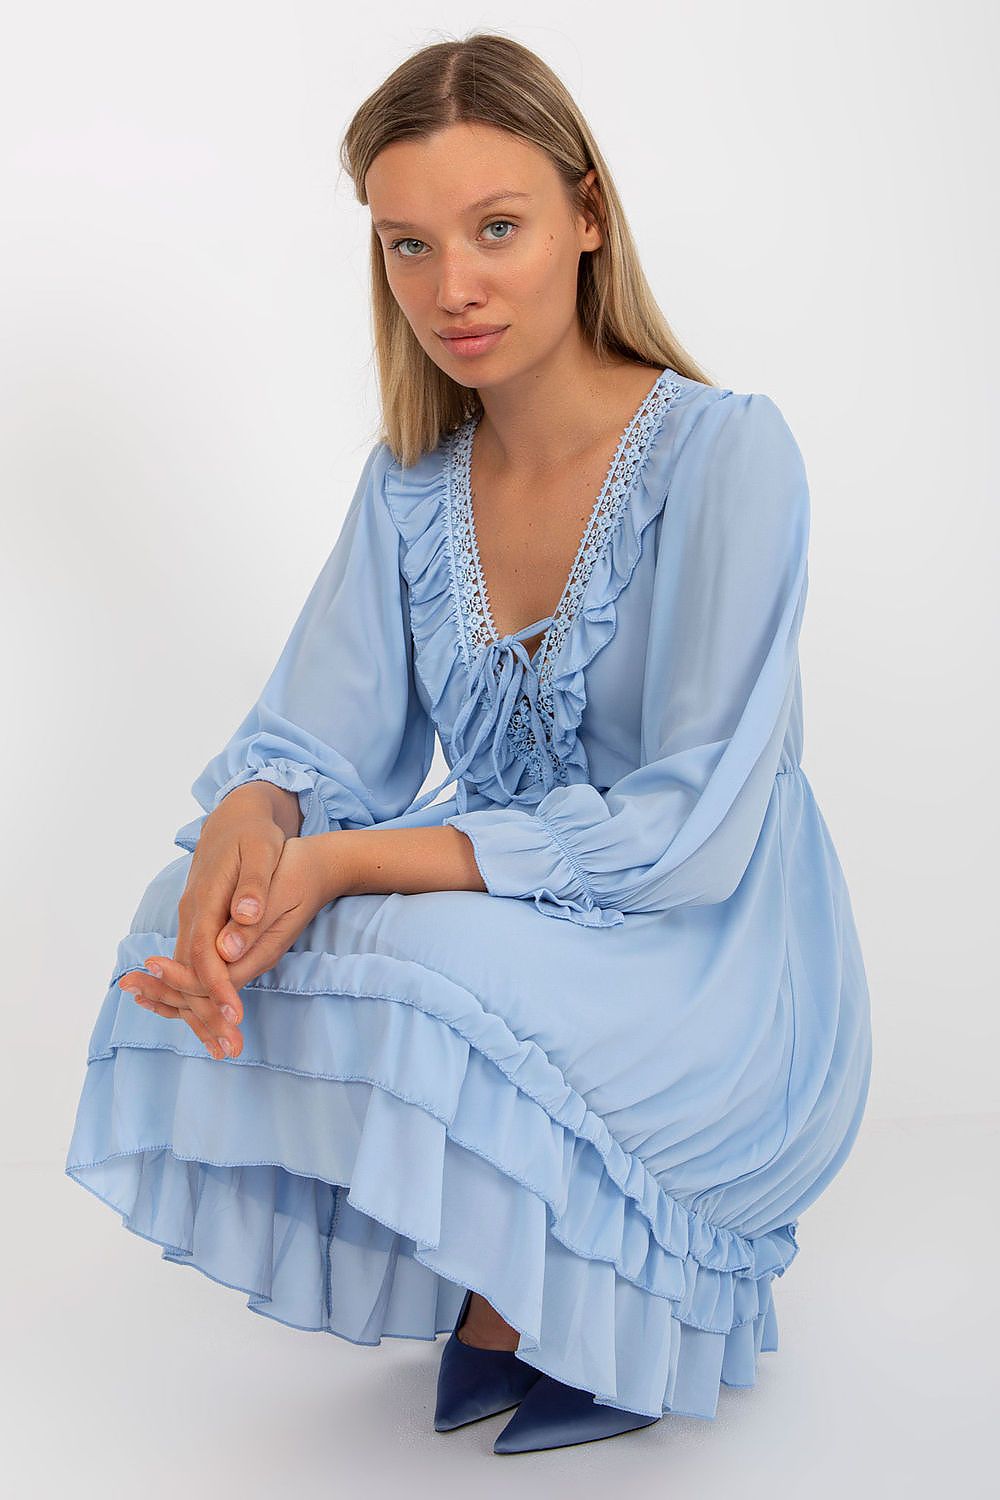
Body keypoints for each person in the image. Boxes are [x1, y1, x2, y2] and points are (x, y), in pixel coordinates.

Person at [65, 32, 873, 1455]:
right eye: (408, 246)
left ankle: (600, 1289)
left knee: (408, 943)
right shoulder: (410, 492)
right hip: (523, 932)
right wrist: (258, 827)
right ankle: (519, 1269)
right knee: (189, 905)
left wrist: (346, 865)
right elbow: (313, 735)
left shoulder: (731, 455)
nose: (453, 288)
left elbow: (686, 830)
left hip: (708, 959)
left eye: (495, 227)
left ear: (587, 216)